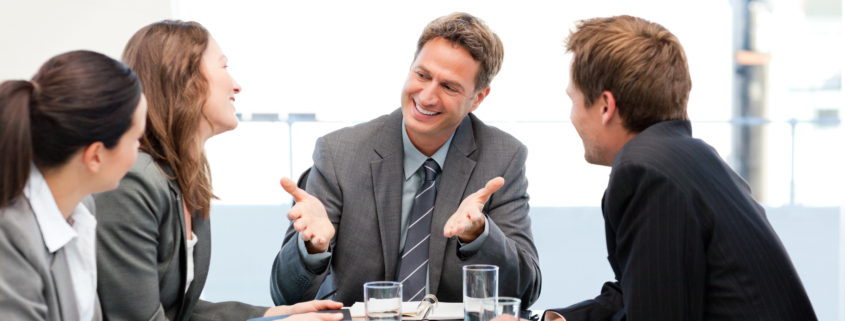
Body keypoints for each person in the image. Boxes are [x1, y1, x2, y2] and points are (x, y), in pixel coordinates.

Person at [545, 15, 817, 320]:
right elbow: (641, 290)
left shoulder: (644, 172)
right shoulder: (691, 158)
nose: (572, 116)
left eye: (573, 100)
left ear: (606, 106)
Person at [270, 12, 541, 309]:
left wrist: (480, 235)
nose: (426, 97)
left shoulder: (503, 157)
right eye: (422, 75)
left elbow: (525, 292)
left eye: (449, 87)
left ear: (478, 98)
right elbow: (285, 297)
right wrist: (311, 248)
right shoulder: (339, 154)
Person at [94, 20, 343, 321]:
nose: (236, 85)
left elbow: (179, 311)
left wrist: (275, 314)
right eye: (224, 67)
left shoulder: (183, 182)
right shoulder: (134, 181)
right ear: (187, 79)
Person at [0, 50, 146, 321]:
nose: (140, 148)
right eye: (136, 138)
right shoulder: (9, 236)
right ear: (96, 156)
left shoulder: (81, 207)